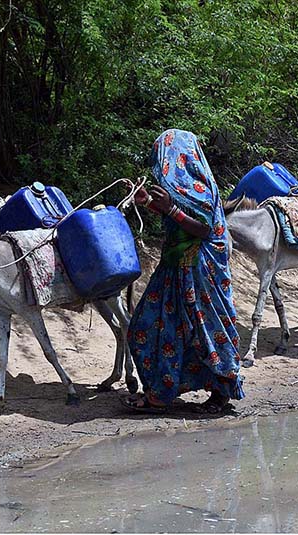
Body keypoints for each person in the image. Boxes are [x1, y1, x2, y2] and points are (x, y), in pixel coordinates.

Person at [122, 129, 245, 414]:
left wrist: (170, 208)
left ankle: (221, 391)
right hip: (173, 265)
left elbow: (202, 228)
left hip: (200, 270)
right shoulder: (177, 188)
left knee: (206, 330)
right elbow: (176, 216)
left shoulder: (199, 186)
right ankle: (161, 392)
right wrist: (149, 203)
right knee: (148, 325)